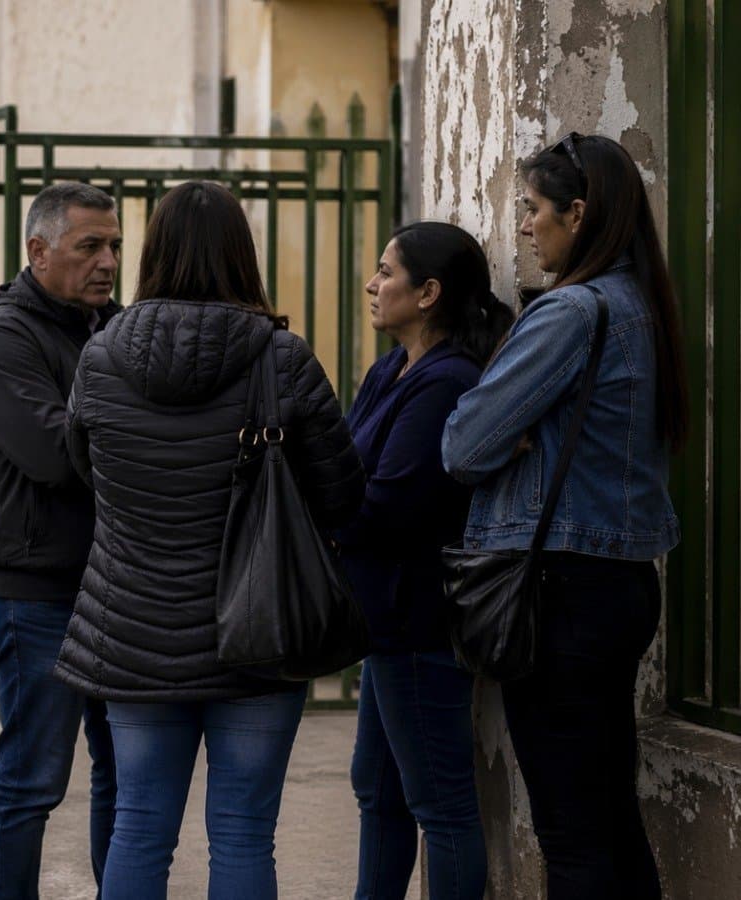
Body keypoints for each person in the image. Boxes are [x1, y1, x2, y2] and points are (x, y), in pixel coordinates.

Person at [53, 181, 364, 900]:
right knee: (245, 831)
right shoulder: (281, 359)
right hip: (261, 630)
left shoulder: (99, 359)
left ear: (153, 253)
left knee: (138, 825)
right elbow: (343, 494)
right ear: (240, 254)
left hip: (133, 630)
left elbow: (85, 470)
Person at [442, 133, 687, 899]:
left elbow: (462, 444)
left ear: (576, 214)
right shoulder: (642, 307)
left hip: (558, 593)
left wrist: (508, 432)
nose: (522, 226)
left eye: (532, 208)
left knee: (572, 834)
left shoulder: (572, 312)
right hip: (620, 583)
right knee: (610, 817)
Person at [338, 222, 514, 900]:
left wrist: (330, 519)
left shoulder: (446, 382)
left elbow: (385, 505)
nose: (372, 284)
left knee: (440, 806)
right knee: (377, 791)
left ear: (429, 293)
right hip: (384, 620)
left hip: (418, 620)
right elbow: (346, 475)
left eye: (386, 272)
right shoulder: (392, 369)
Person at [0, 181, 121, 899]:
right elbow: (55, 455)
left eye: (114, 246)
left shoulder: (113, 327)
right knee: (32, 781)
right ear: (39, 251)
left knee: (123, 775)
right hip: (36, 596)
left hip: (115, 589)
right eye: (89, 246)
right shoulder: (1, 340)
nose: (107, 261)